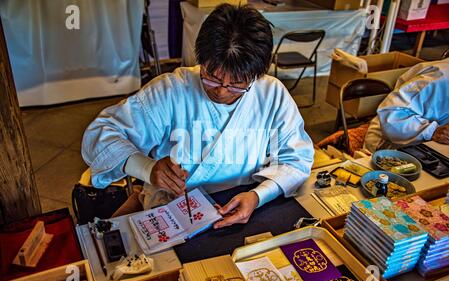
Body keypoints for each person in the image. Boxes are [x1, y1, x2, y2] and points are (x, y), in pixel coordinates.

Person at [81, 4, 314, 229]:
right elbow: (99, 136)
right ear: (200, 61)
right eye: (211, 77)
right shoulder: (171, 91)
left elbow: (297, 158)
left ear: (256, 75)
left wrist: (258, 195)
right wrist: (147, 168)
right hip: (171, 209)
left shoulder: (270, 94)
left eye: (236, 84)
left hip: (243, 206)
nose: (222, 91)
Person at [364, 58, 449, 152]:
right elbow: (392, 116)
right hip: (390, 144)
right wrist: (432, 131)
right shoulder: (438, 79)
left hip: (428, 146)